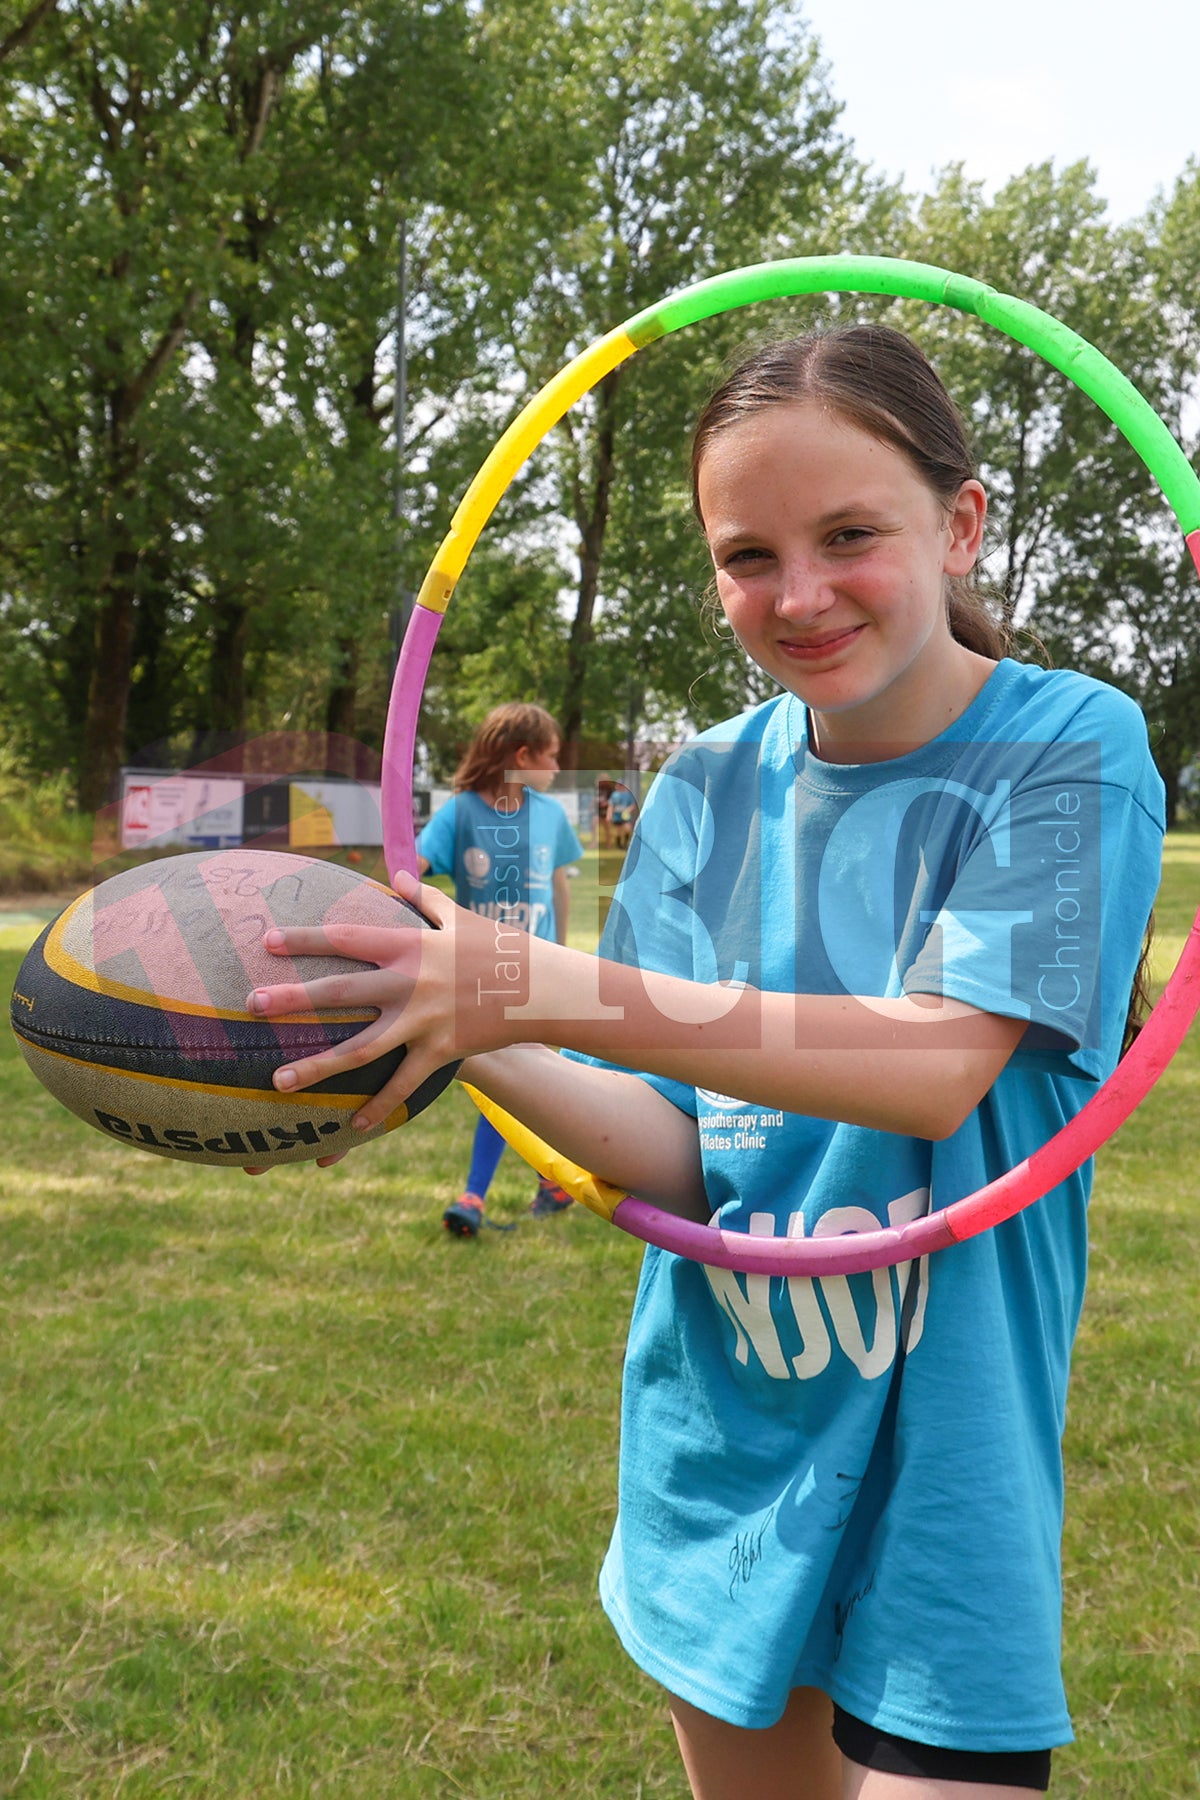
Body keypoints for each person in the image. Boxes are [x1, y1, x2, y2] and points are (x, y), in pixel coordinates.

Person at [248, 324, 1164, 1797]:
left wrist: (535, 981)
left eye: (850, 535)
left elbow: (939, 1068)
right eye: (748, 555)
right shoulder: (704, 787)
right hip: (723, 1453)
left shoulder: (1068, 746)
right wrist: (461, 1034)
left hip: (949, 1471)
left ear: (963, 522)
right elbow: (681, 1150)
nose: (797, 595)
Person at [415, 702, 584, 1236]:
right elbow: (409, 873)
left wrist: (560, 954)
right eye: (551, 757)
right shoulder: (460, 813)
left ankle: (475, 1196)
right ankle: (550, 1181)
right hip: (480, 973)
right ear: (521, 755)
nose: (557, 769)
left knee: (508, 1075)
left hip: (538, 971)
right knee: (507, 1076)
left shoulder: (550, 816)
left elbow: (559, 883)